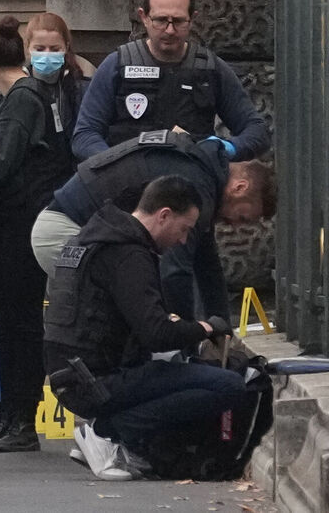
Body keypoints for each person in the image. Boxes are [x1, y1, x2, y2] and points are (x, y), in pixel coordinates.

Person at [43, 175, 248, 481]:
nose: (182, 240)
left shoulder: (94, 238)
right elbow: (157, 335)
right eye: (184, 229)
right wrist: (205, 328)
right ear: (164, 215)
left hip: (74, 374)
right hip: (97, 381)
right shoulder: (129, 253)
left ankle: (111, 435)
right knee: (228, 385)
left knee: (179, 369)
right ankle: (106, 433)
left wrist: (172, 324)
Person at [0, 17, 75, 453]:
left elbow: (0, 166)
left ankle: (21, 419)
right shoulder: (8, 96)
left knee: (20, 325)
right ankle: (9, 415)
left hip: (20, 224)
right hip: (9, 222)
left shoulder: (22, 97)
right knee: (9, 325)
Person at [31, 132, 274, 319]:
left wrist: (220, 330)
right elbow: (174, 272)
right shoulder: (199, 184)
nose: (233, 226)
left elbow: (207, 265)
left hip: (66, 226)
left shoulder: (201, 170)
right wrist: (187, 343)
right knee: (130, 318)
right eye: (242, 217)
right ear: (240, 187)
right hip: (67, 231)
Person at [71, 0, 269, 162]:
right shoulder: (117, 66)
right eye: (161, 20)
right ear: (144, 17)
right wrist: (114, 162)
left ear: (193, 18)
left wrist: (226, 148)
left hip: (191, 181)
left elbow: (256, 131)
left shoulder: (210, 69)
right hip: (129, 185)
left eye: (179, 21)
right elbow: (85, 136)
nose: (170, 30)